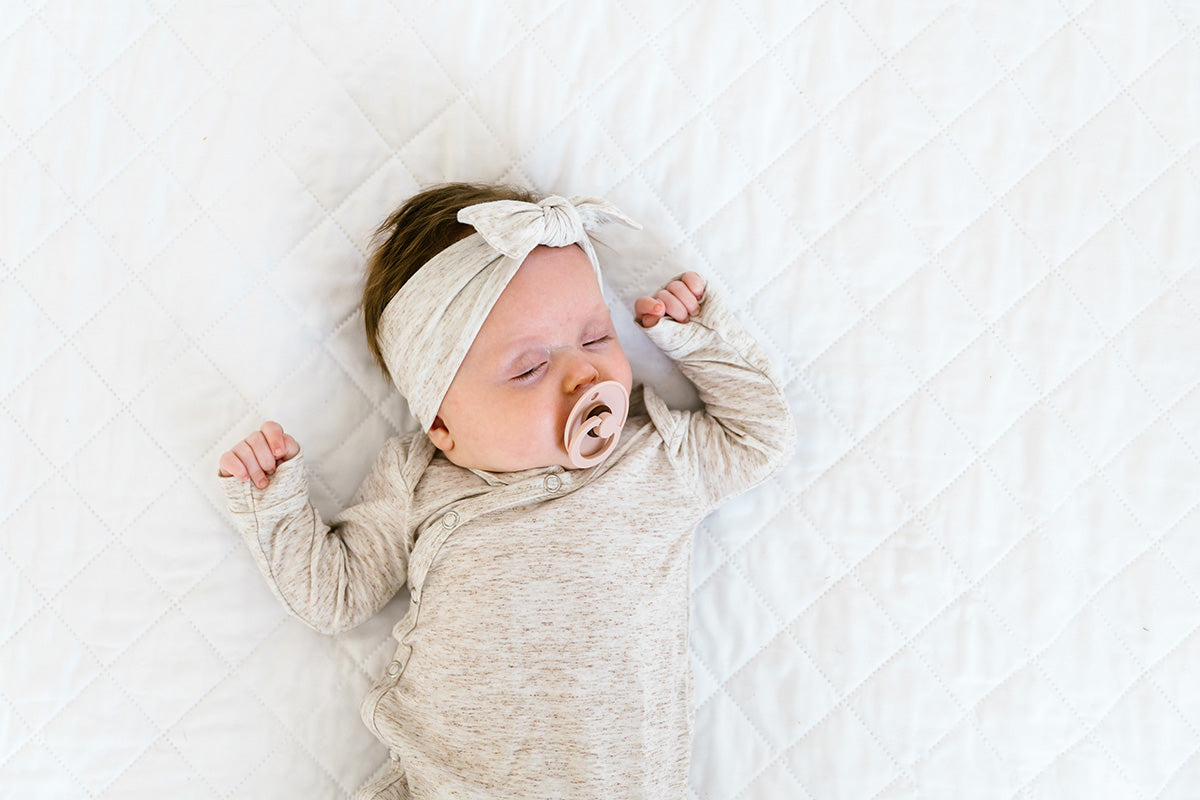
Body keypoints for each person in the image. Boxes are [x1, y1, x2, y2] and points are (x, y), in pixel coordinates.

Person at [217, 183, 795, 799]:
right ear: (443, 427)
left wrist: (699, 339)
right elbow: (336, 594)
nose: (585, 373)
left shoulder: (655, 458)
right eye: (528, 368)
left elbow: (758, 439)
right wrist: (273, 499)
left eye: (597, 337)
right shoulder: (419, 480)